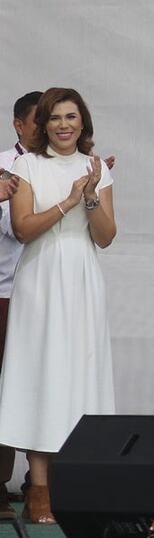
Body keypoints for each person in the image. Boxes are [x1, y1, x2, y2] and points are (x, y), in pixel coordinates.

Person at [0, 87, 116, 524]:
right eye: (55, 118)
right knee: (41, 375)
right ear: (43, 124)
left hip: (82, 277)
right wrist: (68, 200)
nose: (64, 125)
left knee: (80, 374)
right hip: (40, 279)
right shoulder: (26, 165)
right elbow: (24, 228)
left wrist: (89, 194)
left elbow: (105, 236)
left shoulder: (96, 168)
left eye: (71, 117)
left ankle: (82, 485)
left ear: (82, 122)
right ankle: (40, 492)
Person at [0, 91, 32, 519]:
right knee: (3, 391)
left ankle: (41, 481)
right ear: (19, 125)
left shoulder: (74, 169)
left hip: (49, 294)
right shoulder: (5, 165)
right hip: (5, 293)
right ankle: (0, 484)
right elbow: (18, 232)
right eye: (37, 121)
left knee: (43, 383)